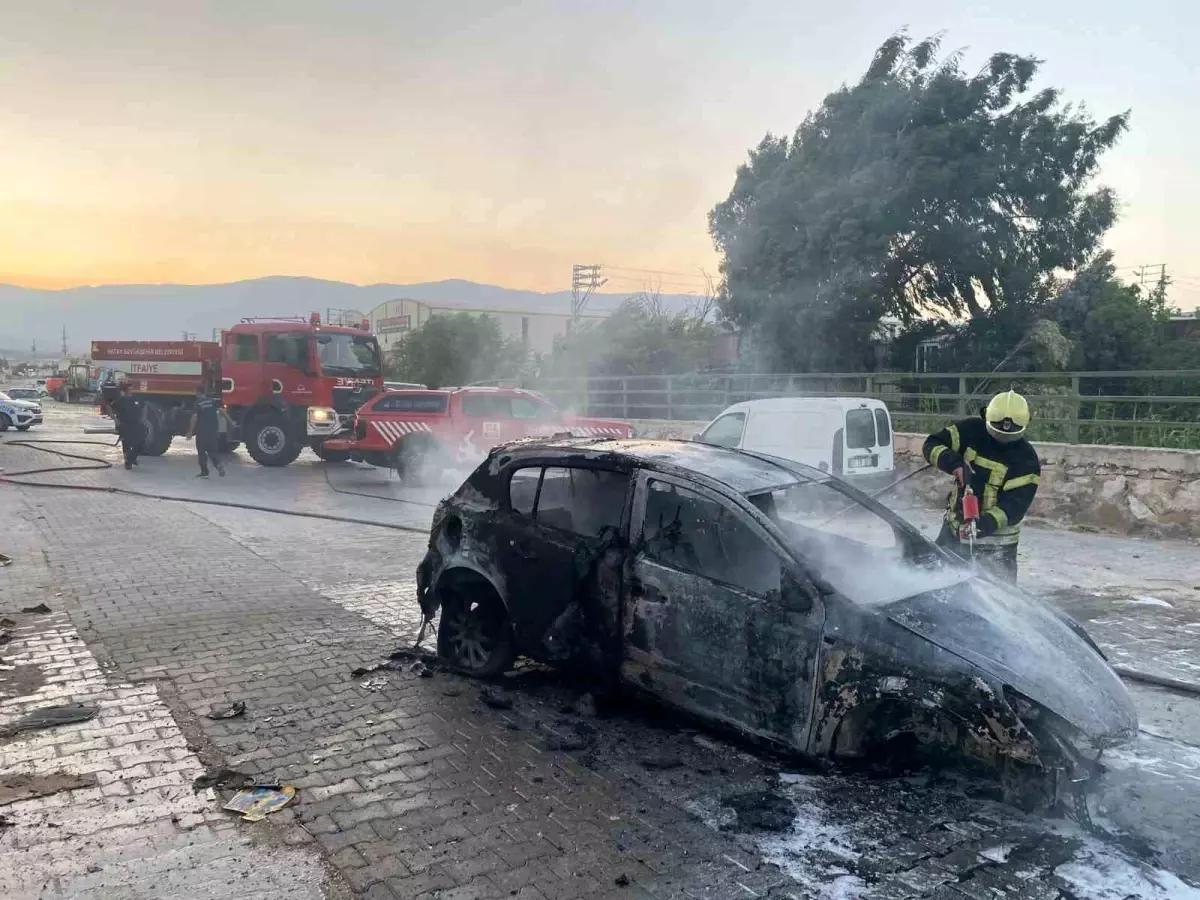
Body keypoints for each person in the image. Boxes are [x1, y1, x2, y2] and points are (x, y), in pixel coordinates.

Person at [922, 390, 1041, 582]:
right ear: (985, 417)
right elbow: (932, 444)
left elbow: (1014, 507)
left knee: (997, 601)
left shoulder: (1027, 460)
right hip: (952, 532)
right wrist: (954, 464)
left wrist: (981, 526)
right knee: (932, 580)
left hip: (997, 548)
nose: (1002, 440)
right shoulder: (970, 430)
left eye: (1010, 437)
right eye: (996, 433)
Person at [185, 385, 230, 478]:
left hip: (202, 432)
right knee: (212, 451)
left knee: (201, 452)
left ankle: (204, 472)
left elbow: (194, 417)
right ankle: (218, 465)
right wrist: (231, 422)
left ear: (197, 392)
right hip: (213, 430)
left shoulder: (198, 403)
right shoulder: (212, 401)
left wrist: (190, 431)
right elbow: (222, 411)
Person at [110, 381, 145, 471]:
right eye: (129, 389)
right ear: (125, 391)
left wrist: (142, 419)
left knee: (139, 442)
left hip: (136, 424)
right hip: (125, 424)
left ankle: (132, 458)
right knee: (127, 443)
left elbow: (142, 408)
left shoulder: (136, 399)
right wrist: (116, 420)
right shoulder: (121, 400)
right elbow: (112, 409)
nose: (131, 391)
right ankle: (128, 462)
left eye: (132, 389)